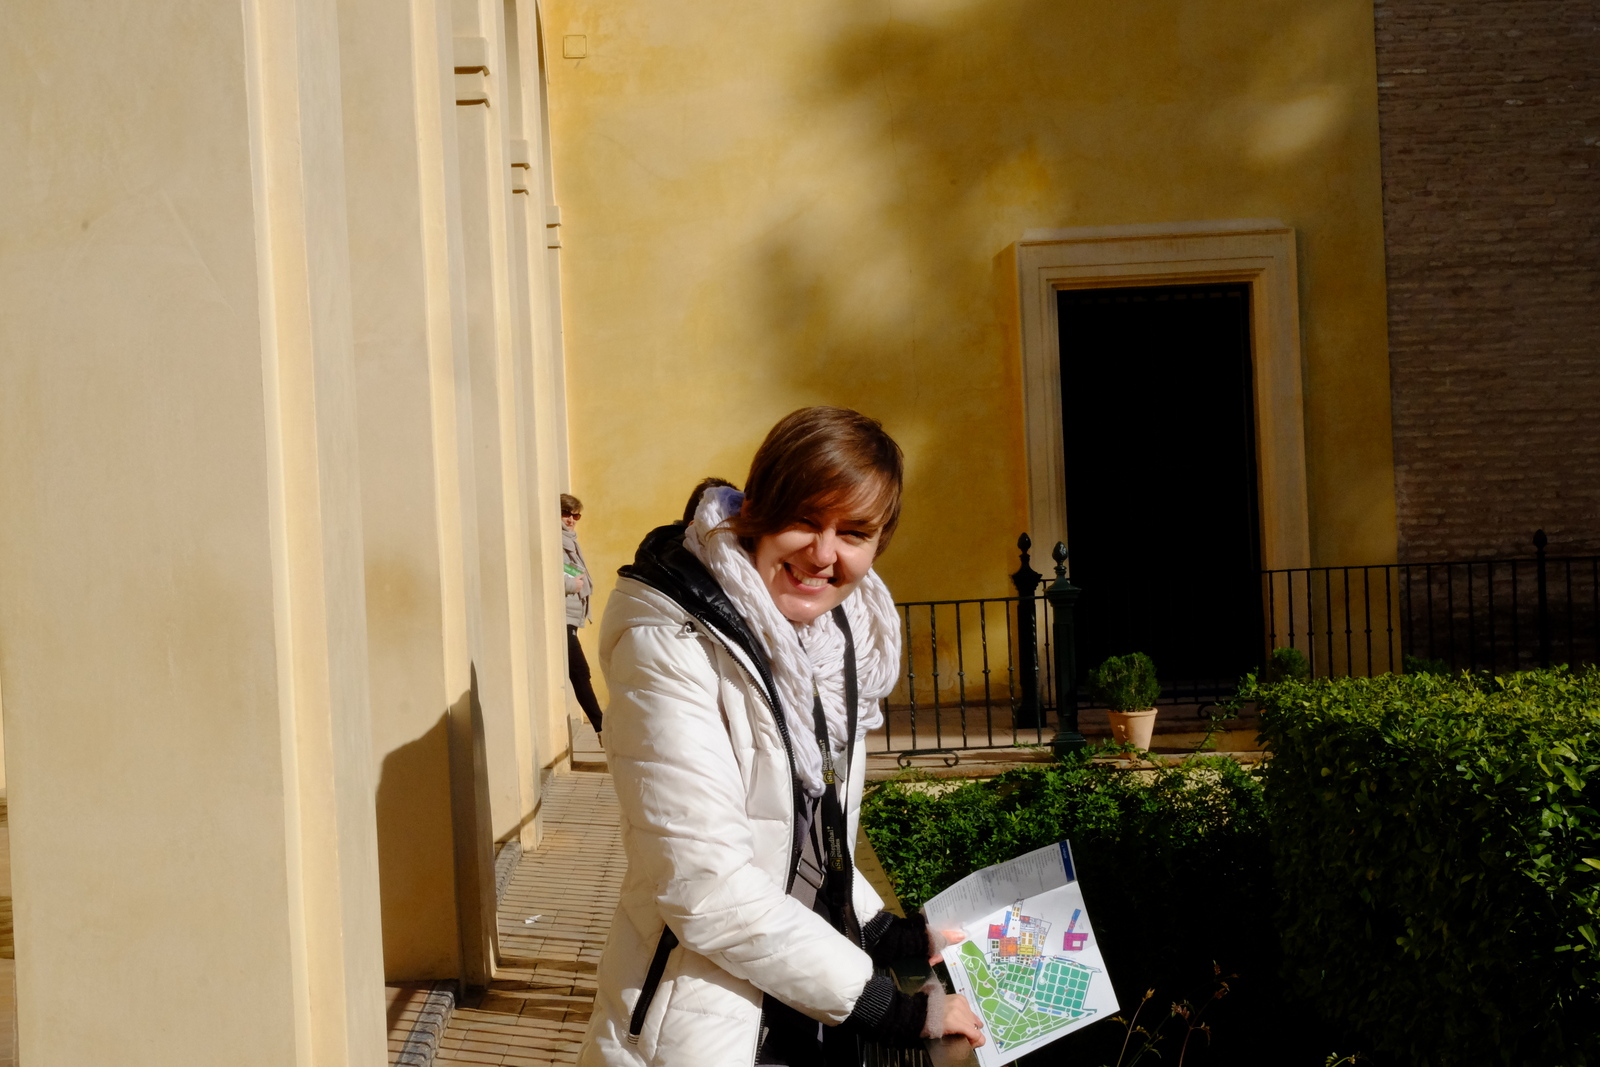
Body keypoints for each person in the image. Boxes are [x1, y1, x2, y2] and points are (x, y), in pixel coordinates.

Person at [579, 407, 985, 1067]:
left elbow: (809, 836)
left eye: (853, 532)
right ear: (757, 512)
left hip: (806, 1010)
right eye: (805, 520)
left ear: (879, 543)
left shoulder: (829, 641)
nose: (823, 554)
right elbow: (705, 888)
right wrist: (897, 1008)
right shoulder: (670, 643)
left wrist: (886, 932)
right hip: (702, 1027)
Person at [562, 493, 605, 737]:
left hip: (570, 618)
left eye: (575, 515)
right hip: (562, 619)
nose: (571, 520)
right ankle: (602, 731)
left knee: (578, 673)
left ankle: (603, 730)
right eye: (565, 514)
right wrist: (571, 585)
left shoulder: (570, 541)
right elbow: (547, 573)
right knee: (580, 673)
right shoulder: (555, 541)